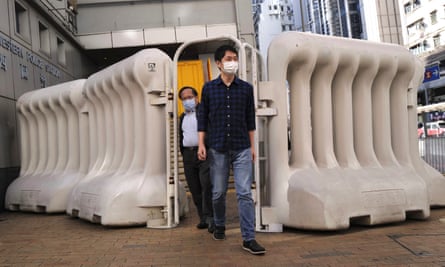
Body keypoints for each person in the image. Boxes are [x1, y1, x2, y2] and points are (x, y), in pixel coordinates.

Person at [197, 45, 266, 255]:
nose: (232, 61)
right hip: (217, 148)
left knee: (244, 193)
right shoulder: (208, 88)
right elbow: (202, 118)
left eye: (235, 58)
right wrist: (201, 143)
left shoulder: (246, 88)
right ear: (219, 63)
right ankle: (219, 224)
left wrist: (252, 147)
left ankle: (248, 238)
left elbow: (250, 120)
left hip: (242, 147)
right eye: (229, 58)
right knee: (218, 193)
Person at [178, 86, 214, 232]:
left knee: (206, 186)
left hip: (204, 153)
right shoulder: (182, 117)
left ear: (196, 98)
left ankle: (211, 218)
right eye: (184, 98)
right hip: (188, 155)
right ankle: (203, 218)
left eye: (189, 97)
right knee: (194, 188)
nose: (187, 100)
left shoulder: (204, 113)